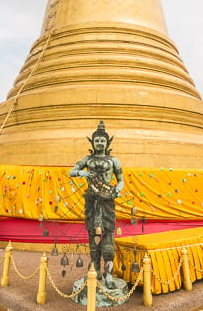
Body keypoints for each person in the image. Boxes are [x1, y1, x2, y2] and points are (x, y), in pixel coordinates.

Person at [69, 120, 124, 288]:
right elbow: (71, 172)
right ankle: (94, 271)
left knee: (108, 236)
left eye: (102, 140)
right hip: (92, 202)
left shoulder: (113, 161)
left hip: (108, 201)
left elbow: (121, 181)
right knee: (93, 235)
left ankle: (108, 274)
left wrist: (117, 190)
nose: (100, 142)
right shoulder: (87, 159)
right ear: (92, 142)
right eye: (97, 140)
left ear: (107, 142)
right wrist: (81, 173)